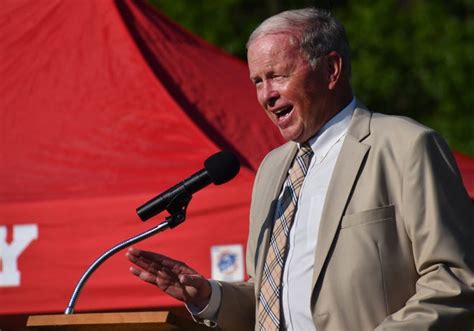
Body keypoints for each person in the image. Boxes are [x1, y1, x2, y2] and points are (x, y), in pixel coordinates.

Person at [127, 8, 474, 331]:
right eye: (257, 81)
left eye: (277, 75)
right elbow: (268, 300)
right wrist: (208, 296)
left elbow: (455, 278)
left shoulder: (406, 146)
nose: (267, 95)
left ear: (331, 70)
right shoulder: (272, 169)